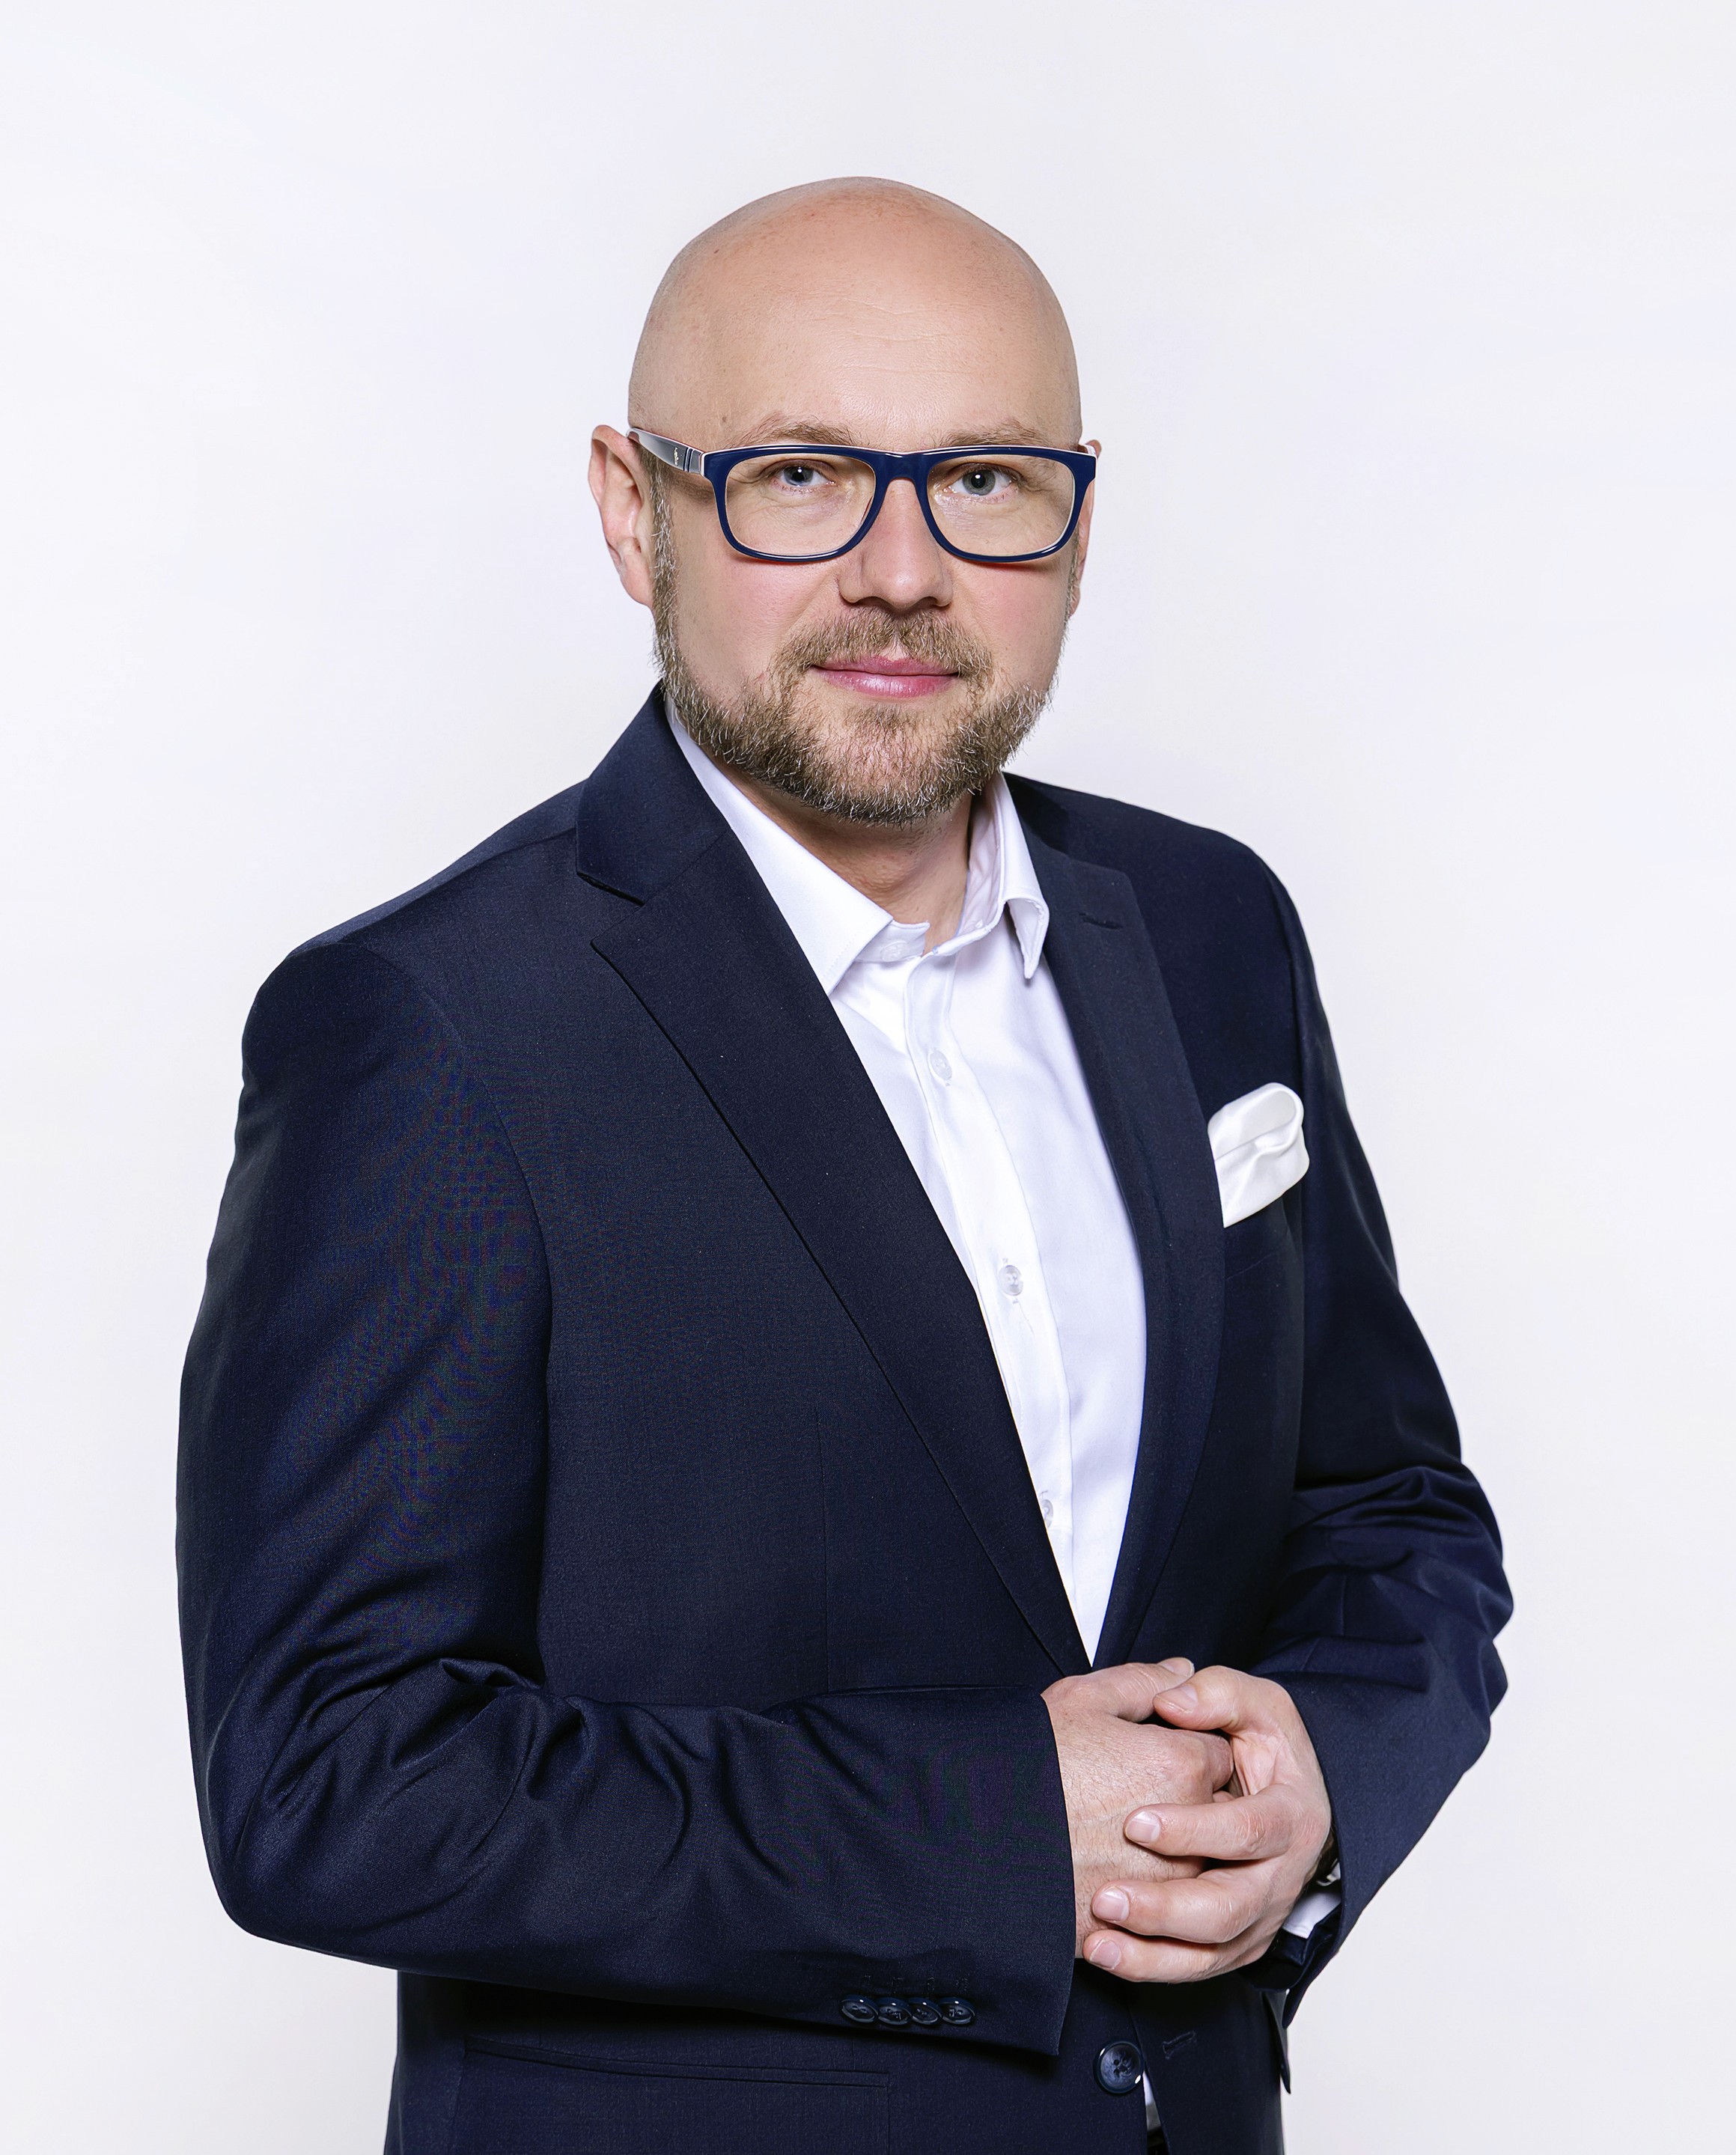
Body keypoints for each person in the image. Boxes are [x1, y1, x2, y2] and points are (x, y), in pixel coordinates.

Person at [177, 178, 1510, 2155]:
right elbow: (328, 1780)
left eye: (984, 481)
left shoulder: (1212, 929)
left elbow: (1388, 1505)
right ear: (635, 510)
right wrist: (993, 1825)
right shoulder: (432, 1027)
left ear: (1076, 525)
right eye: (799, 476)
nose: (902, 571)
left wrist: (1324, 1771)